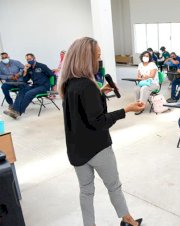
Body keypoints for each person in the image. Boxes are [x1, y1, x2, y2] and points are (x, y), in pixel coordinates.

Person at [59, 37, 143, 226]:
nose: (99, 62)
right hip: (97, 148)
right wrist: (126, 109)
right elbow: (99, 122)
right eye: (97, 57)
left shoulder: (68, 84)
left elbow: (84, 113)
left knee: (86, 191)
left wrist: (99, 93)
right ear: (85, 58)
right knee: (114, 186)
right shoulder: (87, 85)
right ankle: (127, 219)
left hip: (76, 150)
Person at [4, 53, 55, 119]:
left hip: (44, 86)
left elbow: (52, 75)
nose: (29, 61)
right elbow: (25, 80)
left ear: (34, 58)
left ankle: (18, 112)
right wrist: (25, 71)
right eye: (27, 59)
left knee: (29, 93)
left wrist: (53, 88)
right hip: (35, 86)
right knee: (22, 90)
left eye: (30, 59)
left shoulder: (42, 66)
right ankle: (14, 109)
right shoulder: (29, 69)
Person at [134, 51, 159, 115]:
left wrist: (145, 77)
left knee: (144, 88)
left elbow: (152, 76)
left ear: (149, 57)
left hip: (153, 83)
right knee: (136, 88)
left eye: (147, 56)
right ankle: (137, 104)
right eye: (144, 56)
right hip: (143, 82)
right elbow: (138, 76)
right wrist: (143, 77)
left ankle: (141, 107)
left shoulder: (152, 64)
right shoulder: (140, 65)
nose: (145, 57)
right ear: (142, 57)